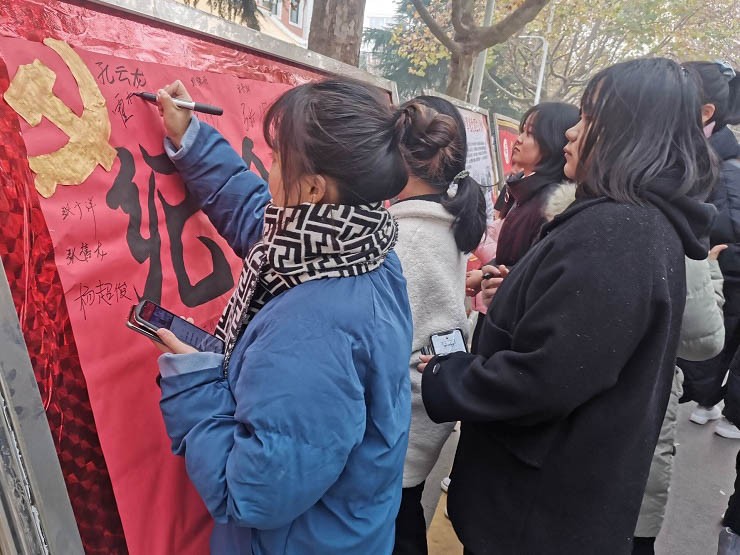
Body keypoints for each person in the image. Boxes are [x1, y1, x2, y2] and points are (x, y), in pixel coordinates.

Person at [418, 58, 718, 554]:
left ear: (631, 133)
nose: (572, 133)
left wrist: (447, 374)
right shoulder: (635, 223)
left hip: (535, 514)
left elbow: (544, 378)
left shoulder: (619, 232)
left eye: (589, 117)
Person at [151, 78, 414, 554]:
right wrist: (191, 139)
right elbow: (258, 217)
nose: (267, 170)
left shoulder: (313, 332)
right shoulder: (361, 244)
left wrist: (194, 382)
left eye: (275, 160)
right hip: (344, 530)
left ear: (313, 188)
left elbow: (251, 493)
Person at [390, 96, 487, 555]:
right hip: (429, 411)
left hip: (398, 428)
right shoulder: (447, 220)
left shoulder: (403, 234)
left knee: (396, 530)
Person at [632, 246, 725, 555]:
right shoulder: (678, 236)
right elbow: (706, 339)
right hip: (644, 397)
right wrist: (711, 270)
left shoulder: (568, 225)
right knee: (633, 520)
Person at [467, 102, 579, 349]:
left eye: (530, 133)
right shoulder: (525, 193)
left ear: (553, 143)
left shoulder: (551, 204)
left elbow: (531, 267)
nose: (518, 140)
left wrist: (489, 275)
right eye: (522, 130)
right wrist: (487, 272)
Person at [678, 60, 740, 438]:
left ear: (706, 111)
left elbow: (727, 227)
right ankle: (707, 399)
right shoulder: (698, 153)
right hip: (712, 266)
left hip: (722, 267)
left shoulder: (723, 164)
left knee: (720, 337)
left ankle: (717, 404)